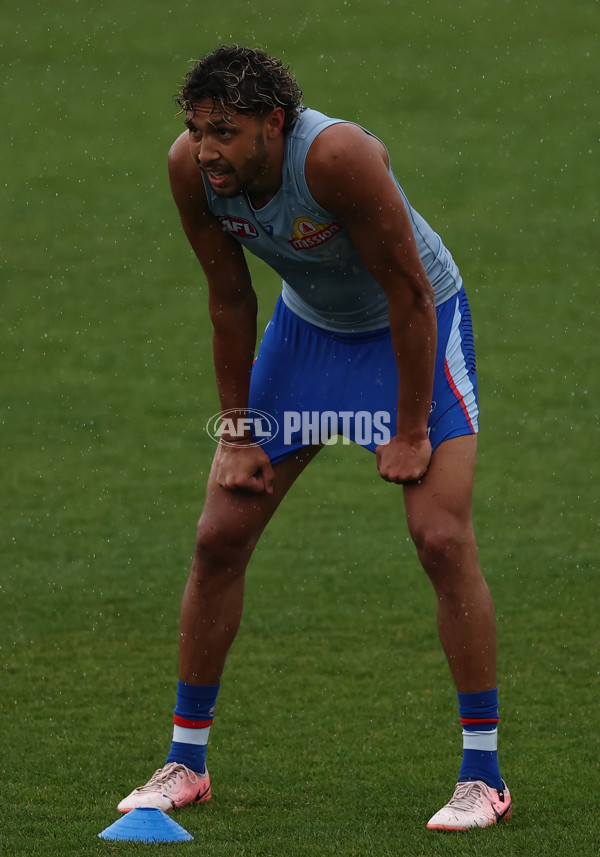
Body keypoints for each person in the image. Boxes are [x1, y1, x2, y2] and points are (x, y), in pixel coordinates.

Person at [117, 45, 512, 831]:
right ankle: (184, 761)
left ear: (275, 122)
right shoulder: (191, 171)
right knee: (218, 535)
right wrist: (235, 434)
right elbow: (229, 297)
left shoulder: (338, 157)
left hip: (414, 332)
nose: (206, 150)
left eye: (224, 131)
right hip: (304, 338)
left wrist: (405, 430)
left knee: (438, 537)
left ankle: (483, 776)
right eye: (197, 129)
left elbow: (409, 295)